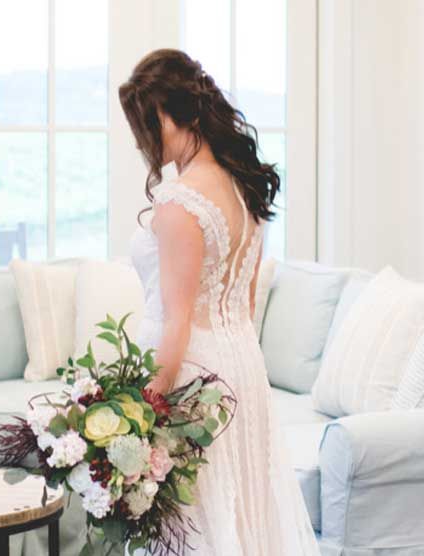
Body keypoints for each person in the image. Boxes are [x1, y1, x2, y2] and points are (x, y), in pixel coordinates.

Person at [121, 49, 320, 555]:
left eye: (150, 122)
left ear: (179, 114)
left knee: (198, 524)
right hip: (243, 367)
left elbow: (178, 321)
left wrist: (145, 410)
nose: (144, 137)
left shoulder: (179, 204)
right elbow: (246, 302)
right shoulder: (245, 187)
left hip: (193, 374)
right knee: (245, 516)